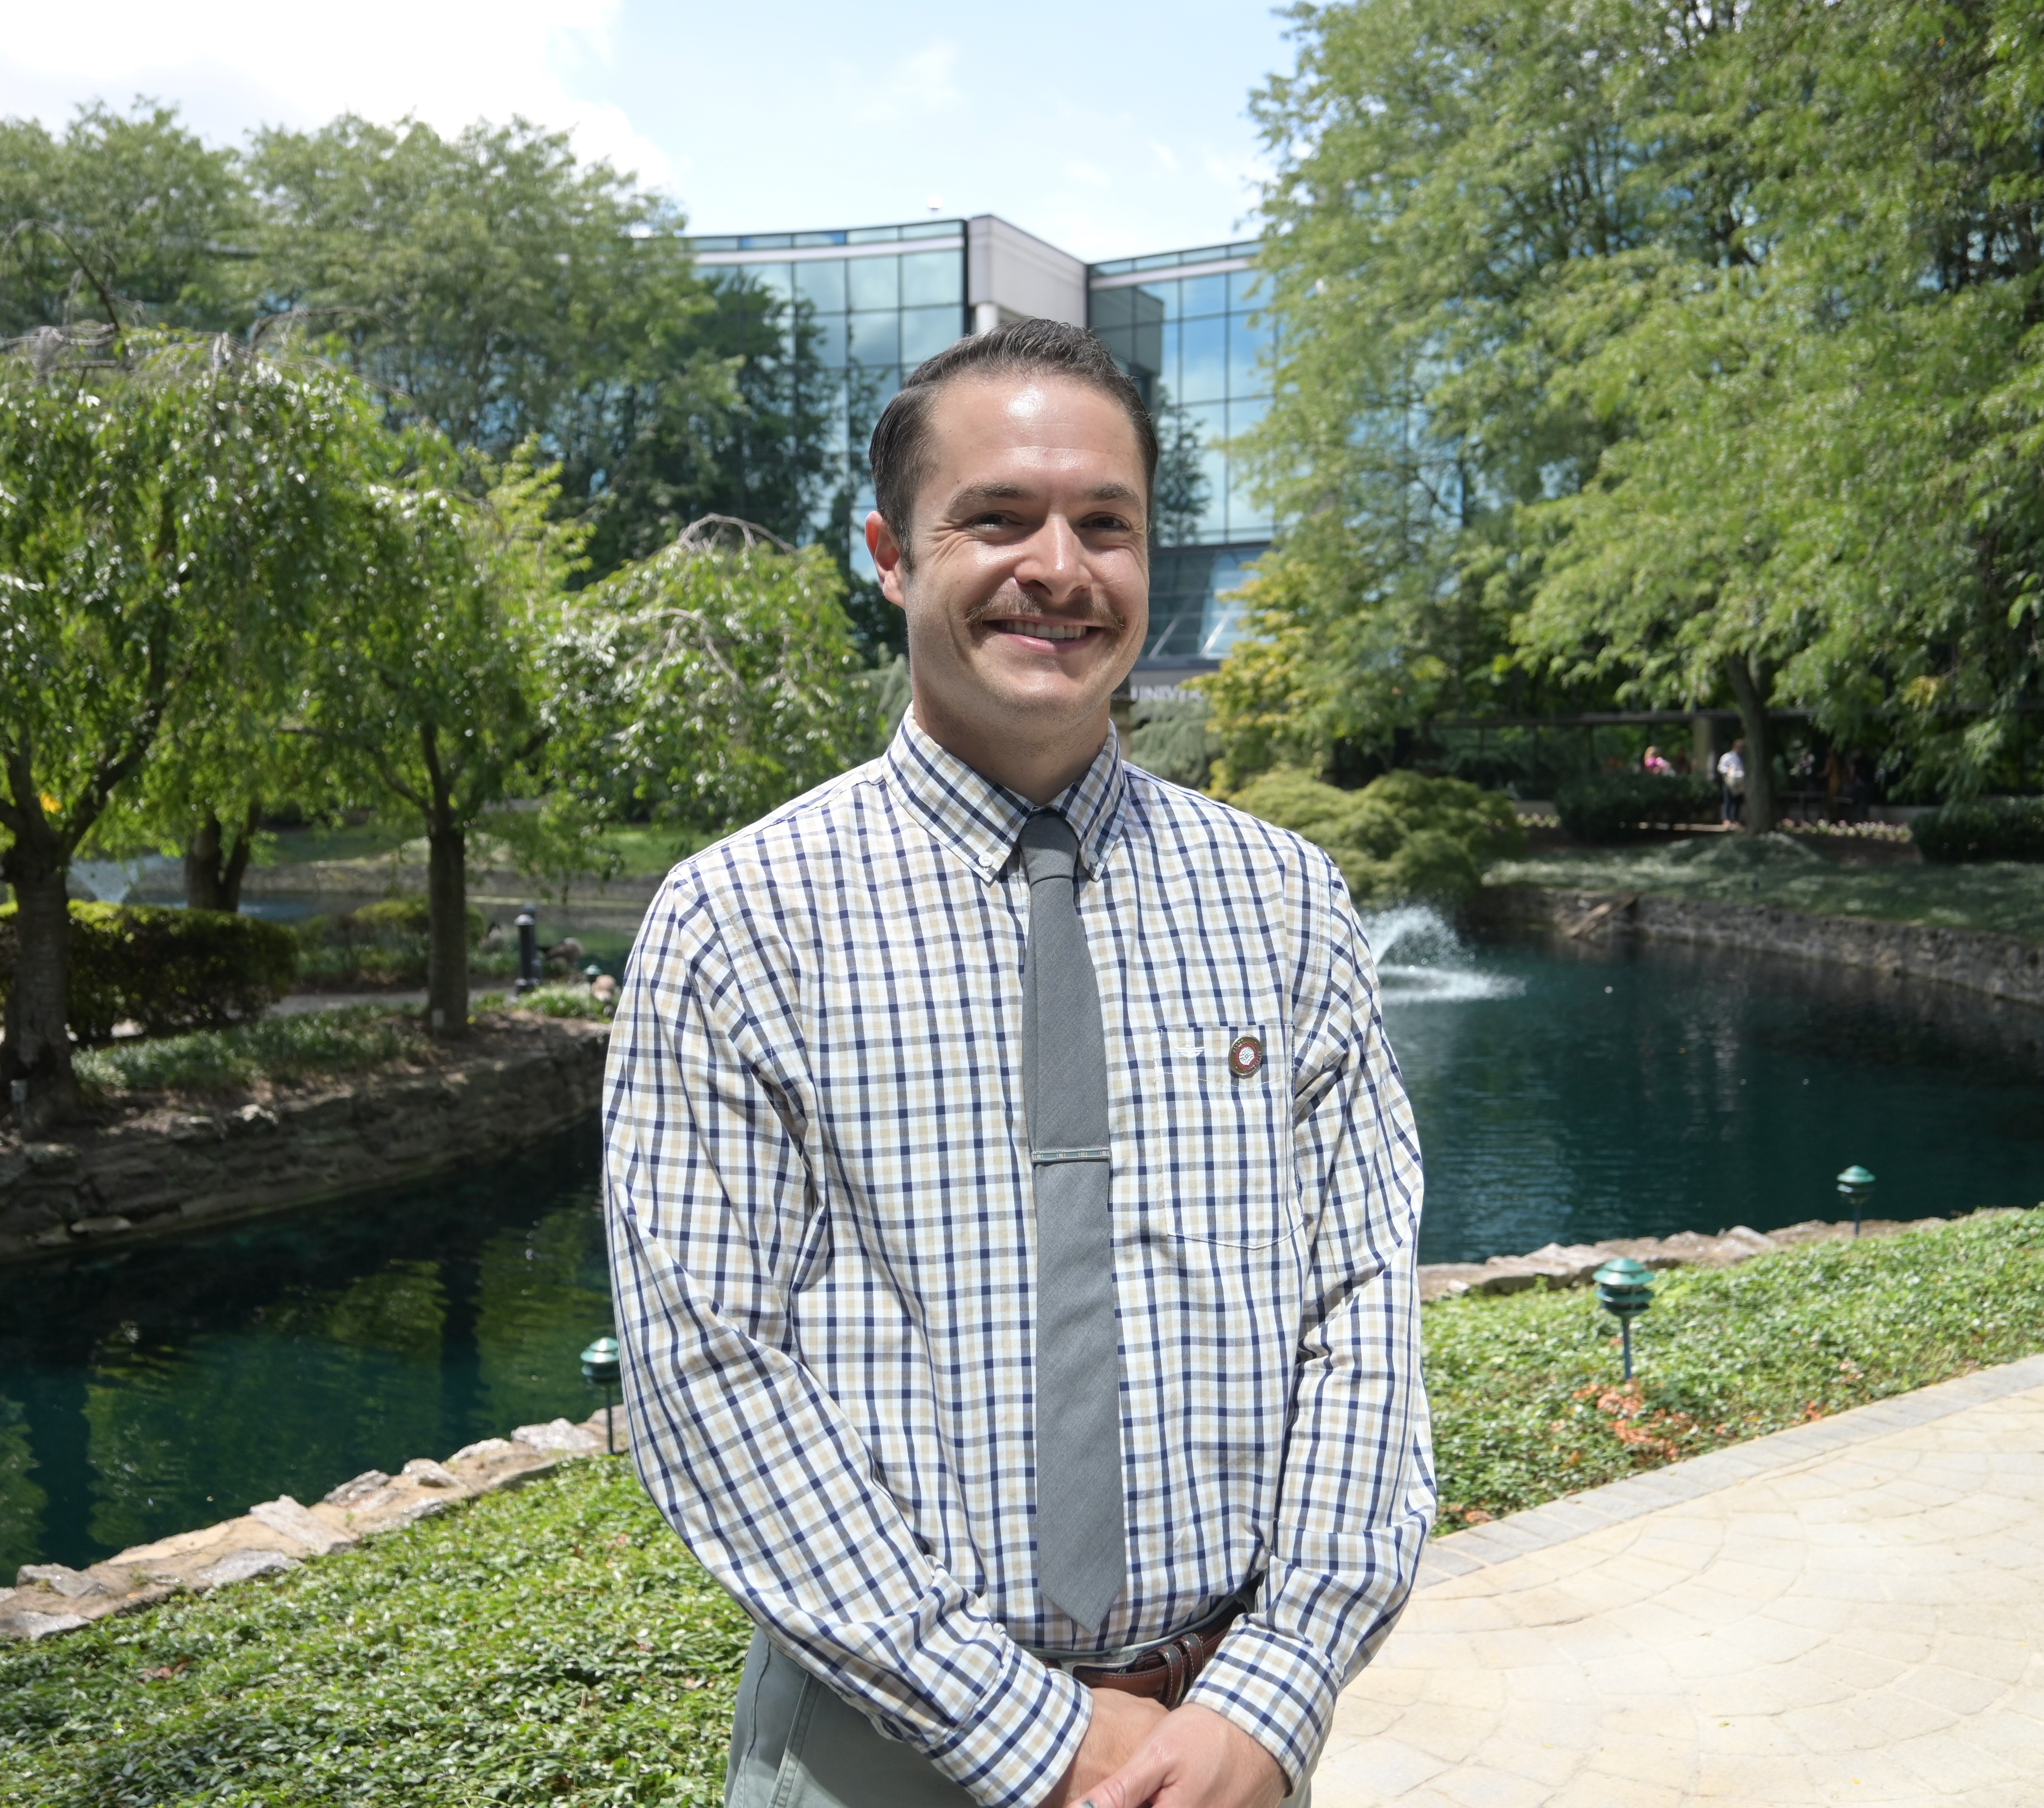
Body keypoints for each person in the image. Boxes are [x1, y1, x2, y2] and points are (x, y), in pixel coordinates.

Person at [602, 319, 1432, 1808]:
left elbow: (1360, 1301)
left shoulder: (1287, 900)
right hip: (884, 1747)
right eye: (996, 517)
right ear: (889, 551)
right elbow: (706, 1370)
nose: (1059, 567)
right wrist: (1037, 1736)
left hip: (1221, 1740)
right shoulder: (736, 920)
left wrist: (1275, 1682)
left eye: (1103, 524)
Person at [1716, 736, 1747, 825]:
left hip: (1740, 783)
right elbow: (1721, 767)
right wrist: (1728, 770)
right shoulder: (1728, 757)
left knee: (1738, 802)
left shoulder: (1744, 758)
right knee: (1728, 801)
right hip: (1729, 782)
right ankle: (1727, 819)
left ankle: (1736, 820)